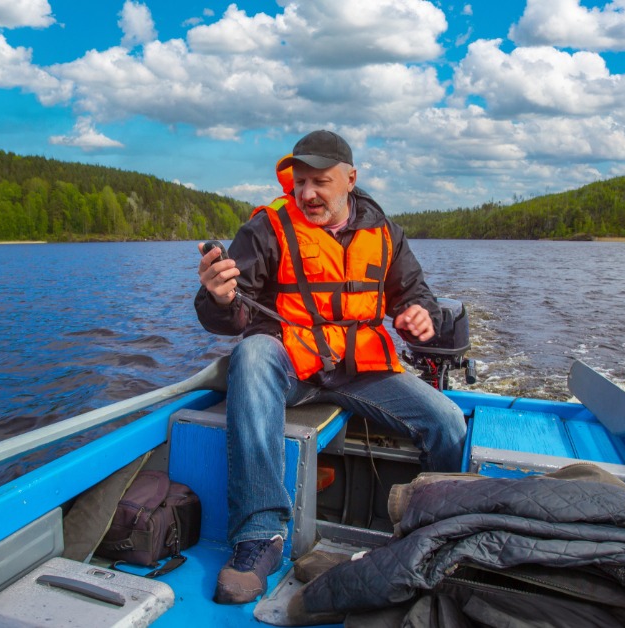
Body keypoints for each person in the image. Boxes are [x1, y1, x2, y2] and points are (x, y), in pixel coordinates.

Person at [194, 129, 467, 605]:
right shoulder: (267, 229)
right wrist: (219, 297)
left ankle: (429, 531)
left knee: (446, 423)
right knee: (250, 353)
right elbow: (231, 313)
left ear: (350, 179)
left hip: (362, 370)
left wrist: (421, 314)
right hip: (291, 366)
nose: (306, 193)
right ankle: (259, 535)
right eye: (299, 182)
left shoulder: (386, 234)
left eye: (319, 182)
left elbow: (415, 293)